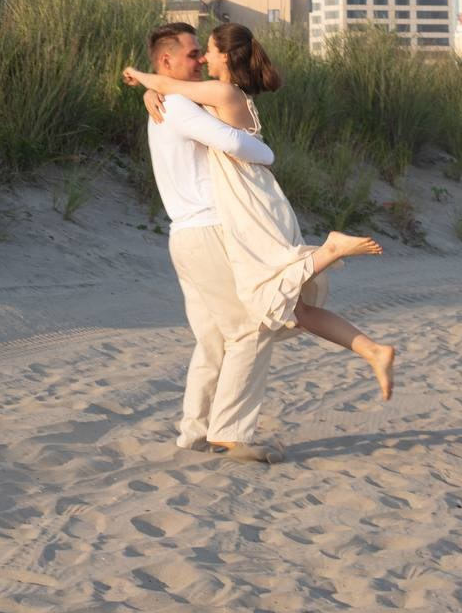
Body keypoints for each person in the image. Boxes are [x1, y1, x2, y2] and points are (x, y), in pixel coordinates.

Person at [124, 22, 395, 451]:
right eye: (193, 54)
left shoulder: (173, 101)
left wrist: (148, 86)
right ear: (166, 60)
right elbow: (245, 147)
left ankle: (194, 433)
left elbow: (200, 111)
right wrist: (151, 87)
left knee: (214, 339)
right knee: (252, 327)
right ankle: (229, 434)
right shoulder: (178, 105)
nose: (200, 60)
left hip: (185, 236)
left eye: (203, 52)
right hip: (212, 230)